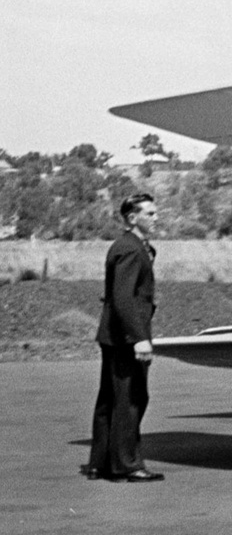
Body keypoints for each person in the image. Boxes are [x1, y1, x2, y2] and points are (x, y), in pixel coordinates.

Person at [84, 193, 165, 482]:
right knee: (131, 399)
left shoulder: (131, 246)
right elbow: (123, 298)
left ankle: (100, 464)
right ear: (133, 218)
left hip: (114, 335)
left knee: (110, 399)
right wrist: (139, 338)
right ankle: (128, 465)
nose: (157, 218)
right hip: (126, 337)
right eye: (151, 214)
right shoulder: (131, 249)